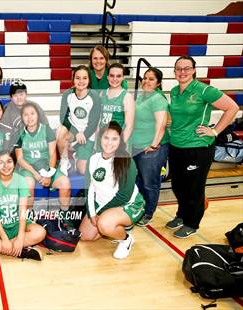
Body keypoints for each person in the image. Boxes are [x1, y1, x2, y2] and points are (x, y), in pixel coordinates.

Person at [166, 55, 239, 238]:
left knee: (194, 188)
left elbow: (232, 108)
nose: (182, 72)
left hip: (197, 147)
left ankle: (192, 223)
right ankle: (182, 215)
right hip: (176, 145)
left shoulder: (204, 90)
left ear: (193, 70)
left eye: (186, 68)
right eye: (178, 69)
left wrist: (214, 131)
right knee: (178, 185)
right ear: (174, 72)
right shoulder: (174, 91)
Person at [79, 122, 145, 259]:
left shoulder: (126, 161)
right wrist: (92, 213)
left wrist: (100, 213)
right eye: (106, 138)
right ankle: (114, 226)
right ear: (100, 139)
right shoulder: (93, 159)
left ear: (120, 141)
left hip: (128, 204)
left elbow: (124, 196)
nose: (109, 142)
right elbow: (89, 189)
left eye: (114, 139)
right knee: (85, 236)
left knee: (104, 224)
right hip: (103, 205)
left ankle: (126, 239)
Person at [0, 150, 46, 261]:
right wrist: (4, 238)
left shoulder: (21, 180)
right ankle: (22, 251)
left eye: (9, 161)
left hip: (18, 225)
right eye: (1, 162)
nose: (6, 166)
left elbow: (23, 211)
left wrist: (21, 237)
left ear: (14, 164)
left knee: (40, 232)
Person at [14, 102, 71, 211]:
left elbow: (53, 154)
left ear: (38, 115)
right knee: (28, 186)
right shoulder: (19, 133)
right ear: (22, 117)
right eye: (26, 114)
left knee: (65, 184)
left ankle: (64, 217)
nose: (29, 117)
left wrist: (48, 175)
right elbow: (20, 159)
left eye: (32, 113)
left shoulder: (46, 129)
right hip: (28, 169)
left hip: (47, 166)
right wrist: (35, 174)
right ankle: (29, 217)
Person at [130, 68, 169, 226]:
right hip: (137, 146)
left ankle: (148, 212)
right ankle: (139, 208)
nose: (146, 81)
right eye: (145, 78)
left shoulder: (157, 98)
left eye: (151, 79)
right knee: (139, 180)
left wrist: (154, 144)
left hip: (152, 149)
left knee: (150, 182)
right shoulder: (141, 97)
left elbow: (162, 123)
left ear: (158, 83)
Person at [56, 65, 101, 175]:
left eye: (84, 78)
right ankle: (65, 160)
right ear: (73, 79)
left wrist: (83, 135)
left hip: (87, 134)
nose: (81, 81)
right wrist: (76, 132)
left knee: (82, 171)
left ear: (89, 80)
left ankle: (77, 156)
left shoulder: (94, 96)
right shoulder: (68, 94)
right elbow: (63, 117)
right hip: (73, 131)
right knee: (60, 131)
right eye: (78, 78)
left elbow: (94, 123)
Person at [0, 82, 48, 150]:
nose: (19, 98)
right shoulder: (6, 108)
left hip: (34, 141)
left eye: (21, 94)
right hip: (16, 144)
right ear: (11, 97)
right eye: (15, 95)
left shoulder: (34, 106)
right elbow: (4, 131)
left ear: (26, 95)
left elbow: (45, 125)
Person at [100, 63, 135, 143]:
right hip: (104, 139)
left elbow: (129, 126)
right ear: (107, 77)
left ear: (123, 78)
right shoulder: (102, 94)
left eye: (118, 76)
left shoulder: (127, 97)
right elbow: (99, 121)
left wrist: (119, 145)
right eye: (112, 76)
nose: (114, 79)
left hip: (119, 141)